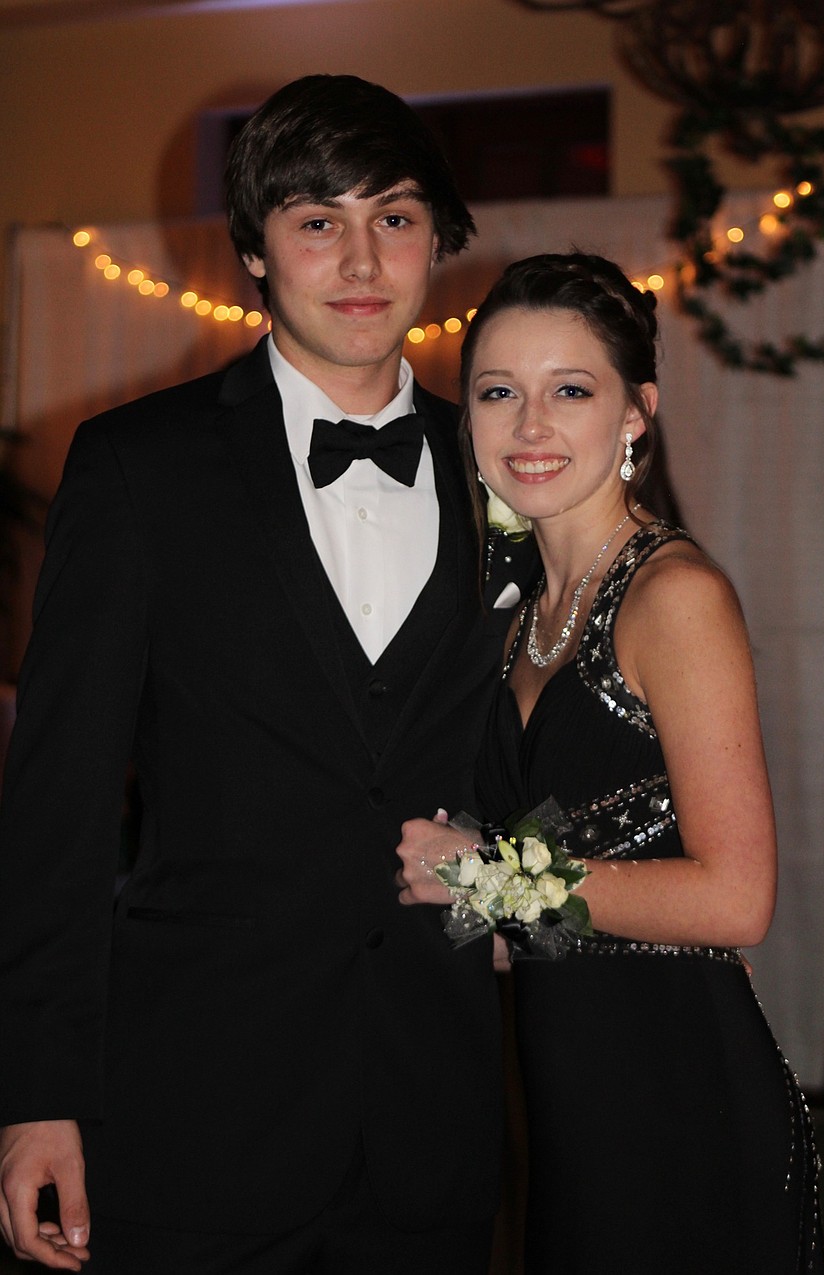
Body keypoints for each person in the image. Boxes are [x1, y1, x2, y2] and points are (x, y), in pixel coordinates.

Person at [0, 75, 536, 1274]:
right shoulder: (138, 469)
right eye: (315, 221)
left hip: (431, 1116)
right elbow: (58, 806)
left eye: (393, 218)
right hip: (193, 1107)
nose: (360, 259)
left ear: (437, 242)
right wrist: (35, 1095)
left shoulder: (505, 468)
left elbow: (549, 744)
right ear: (253, 250)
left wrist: (527, 906)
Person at [397, 252, 824, 1273]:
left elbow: (736, 900)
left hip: (680, 1088)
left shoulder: (671, 595)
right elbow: (532, 921)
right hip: (565, 1086)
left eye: (570, 391)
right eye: (499, 392)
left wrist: (480, 876)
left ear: (636, 412)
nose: (530, 427)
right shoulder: (511, 616)